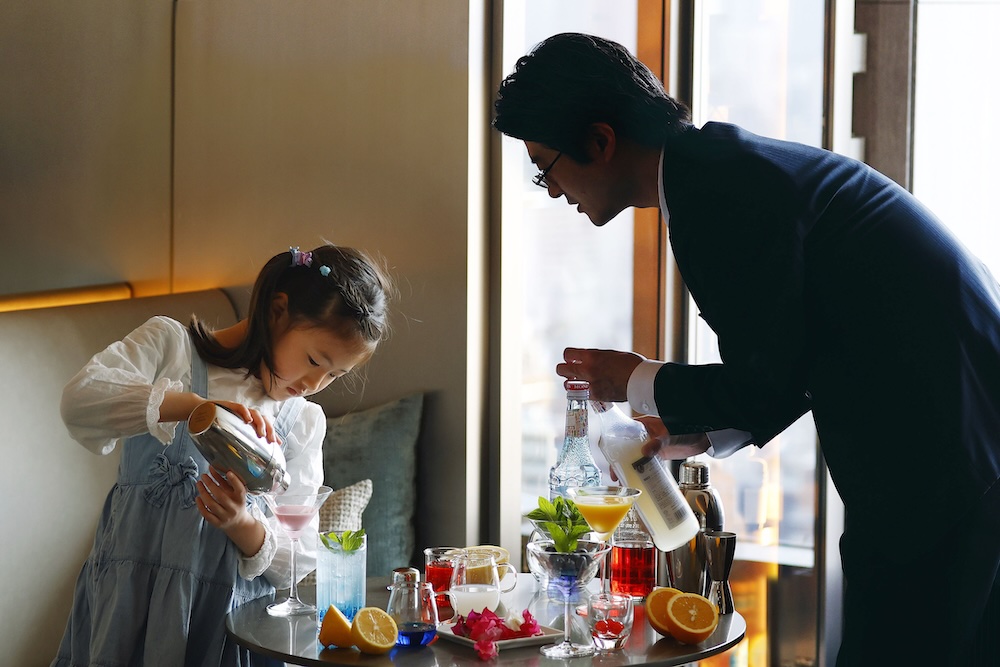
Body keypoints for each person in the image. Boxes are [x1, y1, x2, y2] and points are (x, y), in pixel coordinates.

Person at [494, 32, 1000, 666]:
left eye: (545, 166)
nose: (548, 189)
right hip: (960, 435)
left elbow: (766, 381)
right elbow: (793, 358)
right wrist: (695, 434)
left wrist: (634, 379)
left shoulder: (715, 194)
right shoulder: (719, 168)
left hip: (939, 455)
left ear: (600, 141)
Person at [52, 243, 393, 666]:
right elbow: (80, 401)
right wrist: (195, 407)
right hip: (129, 605)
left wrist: (241, 524)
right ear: (278, 310)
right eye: (313, 359)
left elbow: (298, 558)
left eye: (334, 375)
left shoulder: (301, 421)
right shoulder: (170, 348)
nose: (313, 383)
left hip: (225, 627)